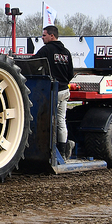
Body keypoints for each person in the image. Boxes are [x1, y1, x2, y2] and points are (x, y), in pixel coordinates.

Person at [32, 25, 75, 159]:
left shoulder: (47, 50)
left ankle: (47, 151)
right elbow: (70, 73)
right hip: (64, 90)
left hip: (51, 91)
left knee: (45, 120)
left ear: (52, 36)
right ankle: (62, 151)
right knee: (61, 121)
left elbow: (32, 62)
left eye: (44, 35)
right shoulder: (66, 52)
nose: (42, 38)